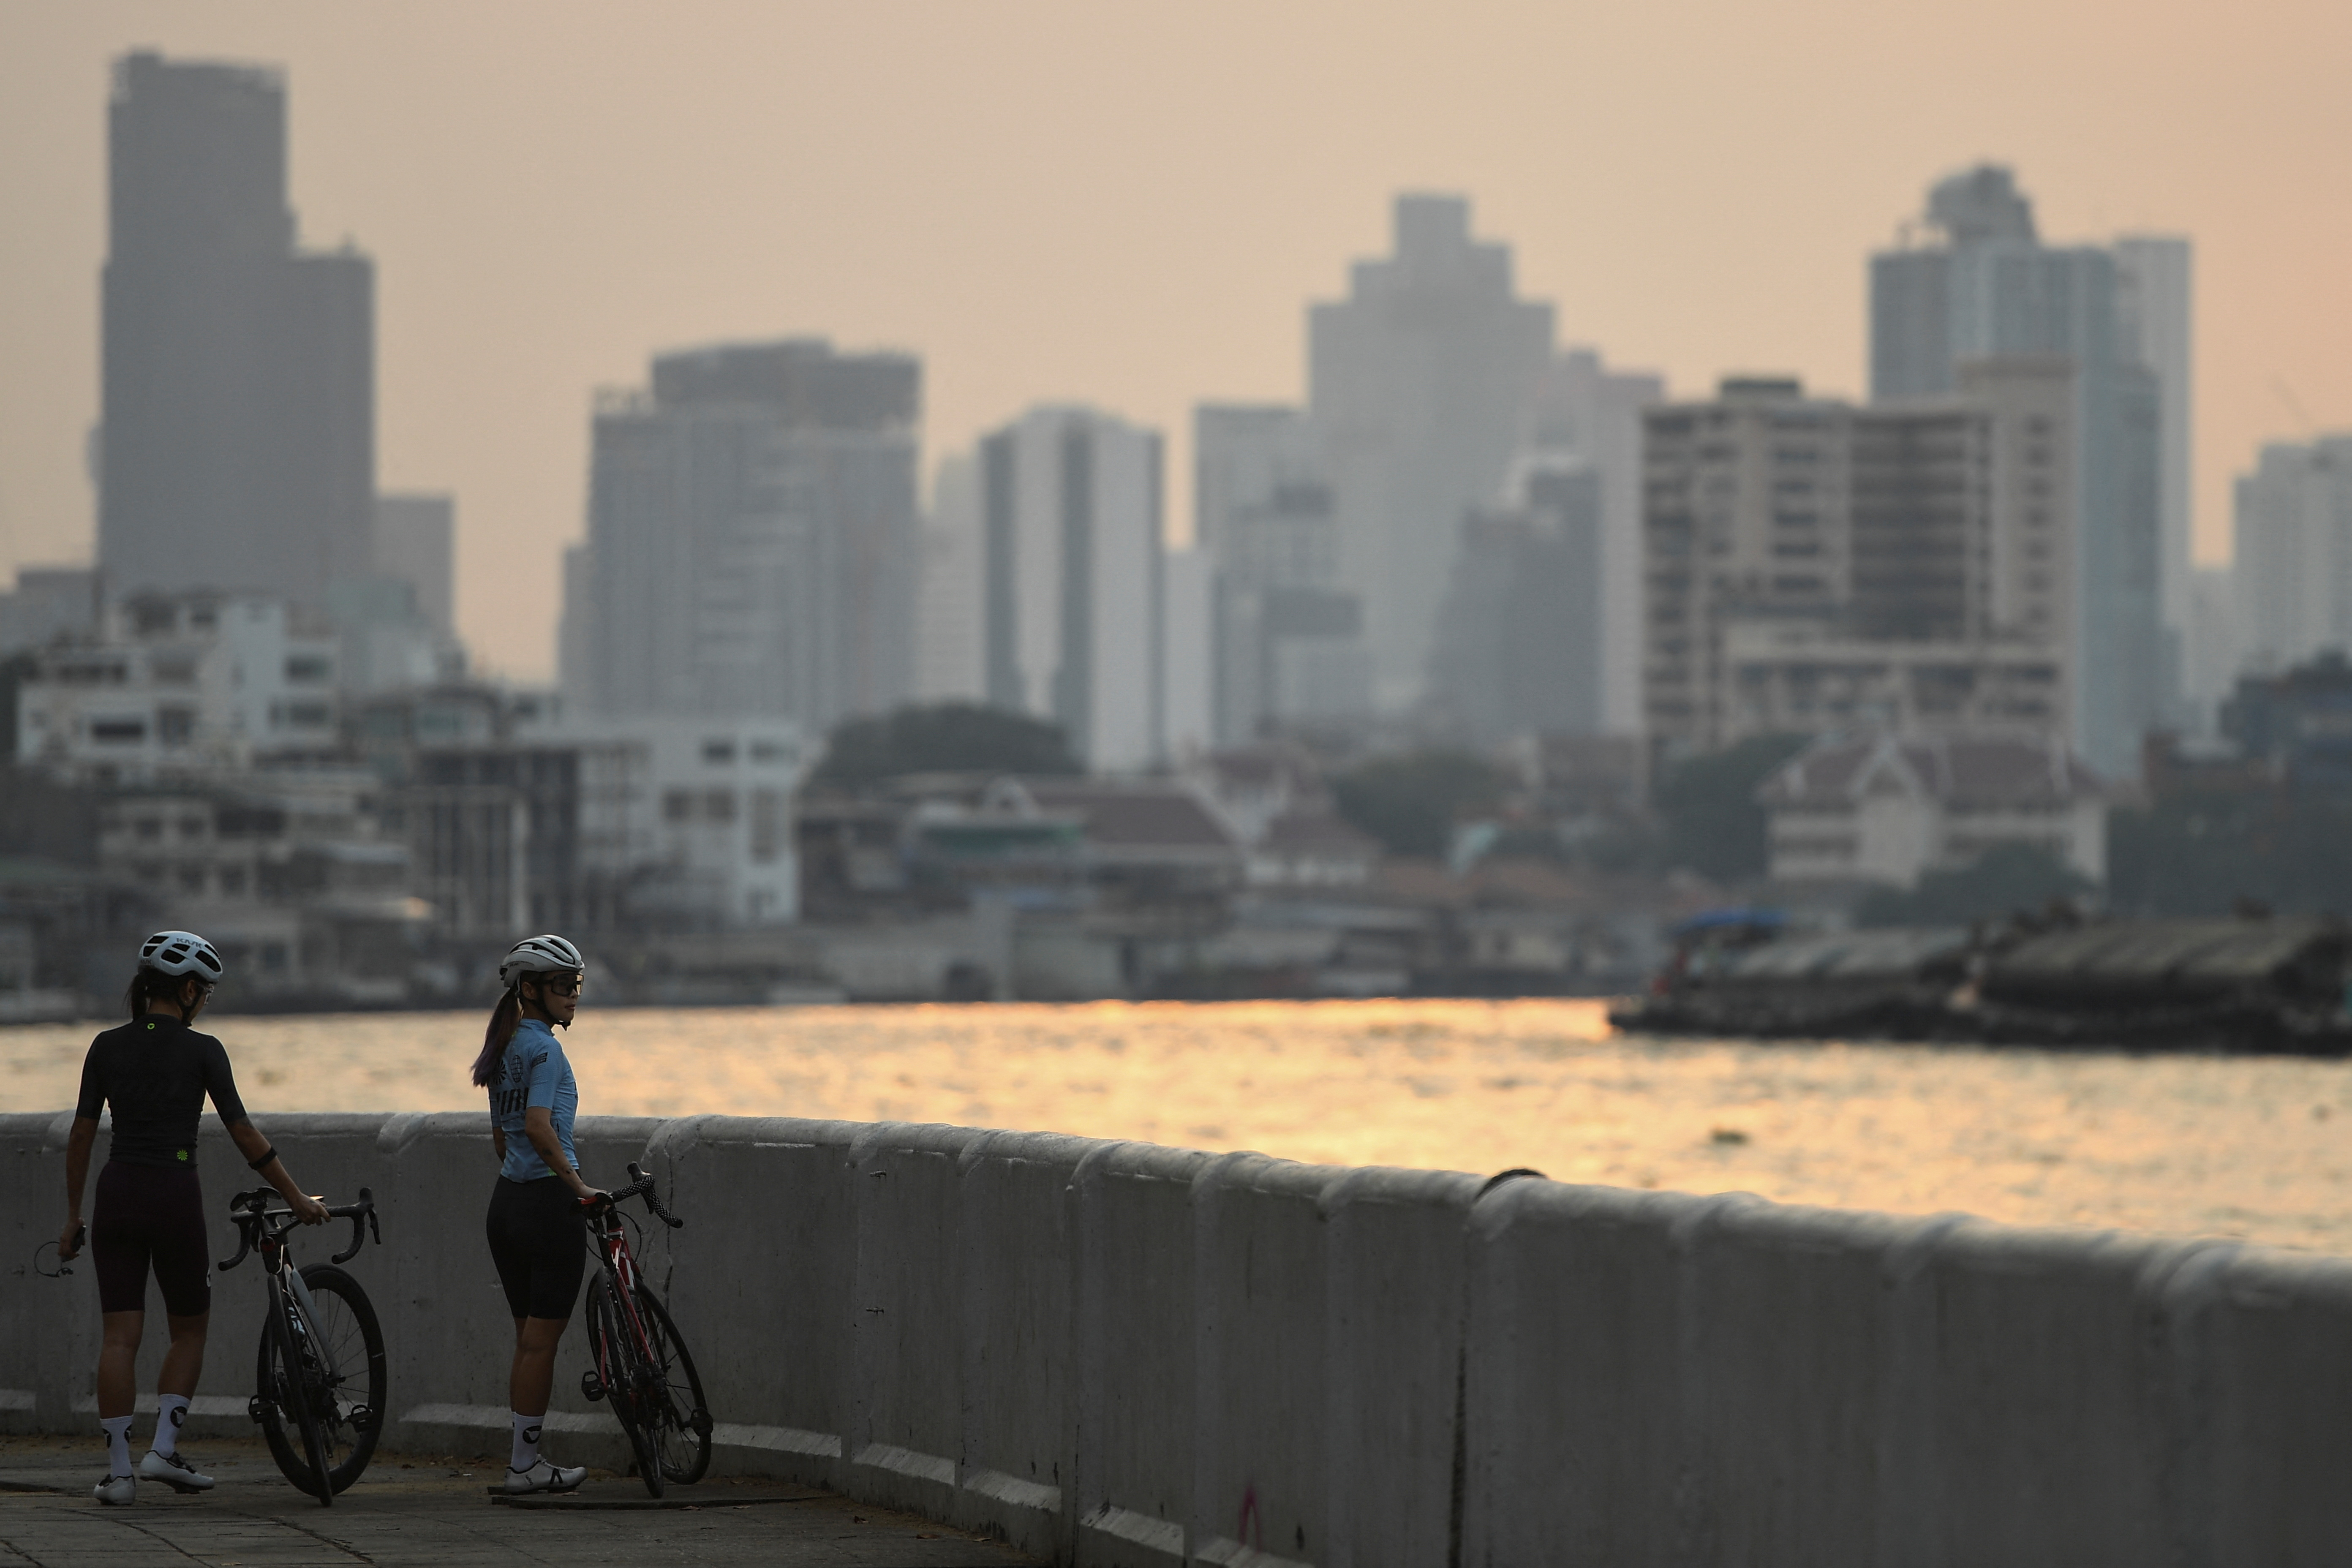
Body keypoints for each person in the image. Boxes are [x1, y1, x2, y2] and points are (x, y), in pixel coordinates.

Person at [57, 931, 329, 1507]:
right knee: (188, 1330)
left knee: (119, 1337)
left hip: (117, 1193)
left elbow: (81, 1135)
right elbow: (245, 1135)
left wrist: (73, 1216)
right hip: (173, 1195)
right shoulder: (203, 1049)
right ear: (185, 990)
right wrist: (298, 1197)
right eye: (202, 992)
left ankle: (119, 1472)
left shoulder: (105, 1046)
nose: (203, 1001)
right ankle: (163, 1449)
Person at [474, 934, 603, 1496]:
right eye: (561, 986)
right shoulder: (546, 1051)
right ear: (530, 989)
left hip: (506, 1207)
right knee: (540, 1343)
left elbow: (503, 1141)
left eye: (576, 984)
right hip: (550, 1204)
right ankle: (525, 1467)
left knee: (527, 1340)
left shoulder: (503, 1048)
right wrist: (578, 1185)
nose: (573, 995)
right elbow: (537, 1127)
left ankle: (521, 1462)